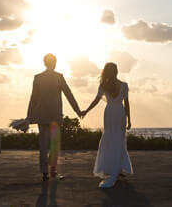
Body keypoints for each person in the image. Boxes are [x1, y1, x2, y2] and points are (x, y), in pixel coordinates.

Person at [27, 53, 83, 182]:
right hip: (55, 115)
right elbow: (69, 94)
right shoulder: (59, 77)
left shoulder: (38, 77)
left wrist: (29, 115)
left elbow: (33, 97)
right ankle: (52, 170)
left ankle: (45, 173)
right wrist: (77, 110)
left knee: (43, 144)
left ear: (44, 63)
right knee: (54, 144)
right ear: (55, 63)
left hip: (41, 115)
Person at [80, 62, 132, 189]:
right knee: (119, 139)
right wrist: (129, 119)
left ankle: (113, 168)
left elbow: (96, 101)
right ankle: (118, 168)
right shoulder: (124, 85)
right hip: (120, 112)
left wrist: (86, 111)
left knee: (109, 139)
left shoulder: (103, 85)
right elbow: (127, 103)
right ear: (116, 71)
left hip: (109, 112)